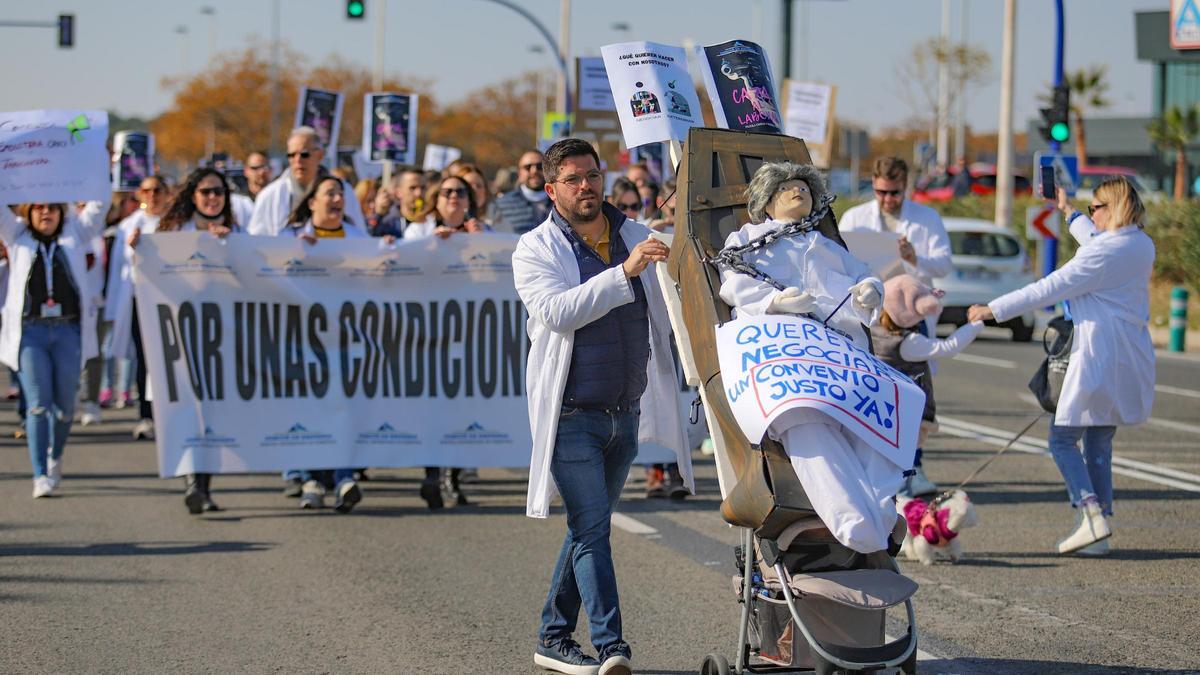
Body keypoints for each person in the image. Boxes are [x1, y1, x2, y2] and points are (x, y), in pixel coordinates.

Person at [514, 138, 692, 675]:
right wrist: (624, 273)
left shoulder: (636, 234)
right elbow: (556, 311)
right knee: (593, 530)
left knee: (585, 529)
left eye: (592, 175)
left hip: (624, 411)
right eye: (573, 179)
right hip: (572, 415)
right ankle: (613, 646)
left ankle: (551, 636)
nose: (587, 186)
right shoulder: (535, 248)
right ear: (551, 189)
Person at [968, 179, 1155, 556]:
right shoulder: (1139, 243)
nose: (1092, 213)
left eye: (1095, 207)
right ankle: (1098, 526)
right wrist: (1068, 212)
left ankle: (1089, 513)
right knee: (1100, 439)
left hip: (1097, 353)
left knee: (1062, 439)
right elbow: (1096, 242)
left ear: (1113, 208)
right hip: (1129, 352)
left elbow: (1050, 287)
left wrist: (994, 309)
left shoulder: (1103, 254)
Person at [718, 161, 897, 554]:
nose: (796, 191)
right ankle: (853, 522)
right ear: (766, 202)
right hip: (787, 359)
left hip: (842, 357)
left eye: (803, 186)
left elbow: (865, 274)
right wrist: (773, 301)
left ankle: (882, 514)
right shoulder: (747, 239)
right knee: (807, 425)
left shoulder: (827, 246)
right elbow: (733, 285)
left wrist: (870, 290)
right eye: (786, 188)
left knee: (873, 427)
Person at [840, 155, 953, 495]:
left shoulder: (926, 218)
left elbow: (945, 264)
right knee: (870, 392)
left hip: (909, 321)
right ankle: (873, 466)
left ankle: (913, 466)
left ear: (906, 187)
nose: (887, 199)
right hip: (870, 319)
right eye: (881, 192)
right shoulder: (855, 218)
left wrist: (914, 259)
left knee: (914, 395)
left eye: (895, 193)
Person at [131, 168, 239, 513]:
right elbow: (146, 270)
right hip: (180, 335)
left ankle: (203, 484)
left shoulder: (238, 232)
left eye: (218, 191)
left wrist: (229, 245)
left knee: (213, 411)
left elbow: (255, 274)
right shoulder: (173, 232)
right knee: (188, 409)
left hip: (222, 337)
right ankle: (194, 482)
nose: (212, 198)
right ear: (193, 195)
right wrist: (137, 248)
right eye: (205, 191)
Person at [0, 197, 108, 498]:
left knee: (64, 410)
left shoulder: (75, 234)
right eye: (38, 207)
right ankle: (39, 474)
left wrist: (96, 158)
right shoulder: (16, 235)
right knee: (37, 405)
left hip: (67, 332)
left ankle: (55, 455)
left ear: (63, 212)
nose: (45, 212)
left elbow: (101, 203)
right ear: (28, 212)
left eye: (52, 207)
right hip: (31, 333)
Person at [276, 173, 370, 512]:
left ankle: (344, 475)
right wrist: (295, 257)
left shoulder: (358, 237)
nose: (336, 199)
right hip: (302, 338)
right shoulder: (290, 237)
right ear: (312, 201)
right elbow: (268, 276)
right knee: (308, 406)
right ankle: (310, 479)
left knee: (342, 406)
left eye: (341, 193)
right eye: (329, 193)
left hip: (345, 337)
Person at [872, 275, 984, 496]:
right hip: (907, 410)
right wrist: (974, 325)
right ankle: (902, 505)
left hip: (881, 409)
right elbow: (947, 347)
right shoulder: (908, 343)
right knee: (901, 468)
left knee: (885, 463)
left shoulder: (874, 332)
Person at [106, 175, 172, 441]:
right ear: (139, 195)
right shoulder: (129, 226)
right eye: (147, 190)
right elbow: (119, 270)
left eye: (158, 189)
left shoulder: (176, 223)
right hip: (139, 299)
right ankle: (147, 415)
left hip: (170, 300)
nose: (153, 195)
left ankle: (170, 414)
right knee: (145, 360)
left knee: (170, 359)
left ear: (167, 193)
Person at [247, 127, 365, 237]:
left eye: (304, 154)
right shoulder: (270, 195)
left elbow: (359, 238)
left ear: (320, 155)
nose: (297, 160)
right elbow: (257, 242)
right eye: (291, 155)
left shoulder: (343, 191)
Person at [489, 150, 551, 235]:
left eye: (540, 166)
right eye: (527, 167)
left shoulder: (561, 201)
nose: (534, 171)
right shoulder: (502, 204)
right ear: (520, 173)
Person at [375, 166, 427, 238]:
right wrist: (378, 215)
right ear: (398, 192)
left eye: (423, 188)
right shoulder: (388, 224)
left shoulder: (433, 220)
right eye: (412, 188)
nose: (419, 193)